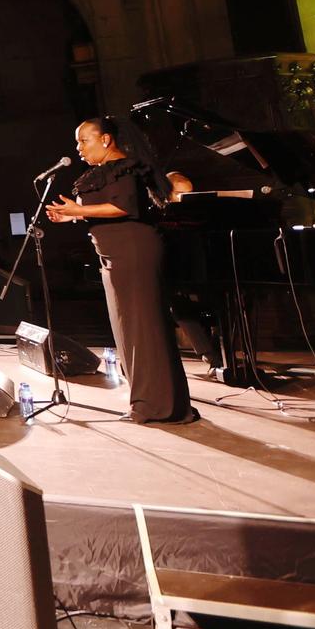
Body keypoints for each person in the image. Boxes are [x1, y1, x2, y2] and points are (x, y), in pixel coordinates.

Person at [46, 115, 196, 425]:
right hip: (113, 255)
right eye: (77, 142)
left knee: (144, 329)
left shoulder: (125, 168)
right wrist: (71, 217)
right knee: (127, 330)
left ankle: (158, 407)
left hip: (134, 251)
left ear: (105, 139)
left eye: (84, 140)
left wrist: (78, 210)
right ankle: (151, 403)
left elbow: (125, 207)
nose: (78, 148)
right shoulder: (101, 173)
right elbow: (104, 210)